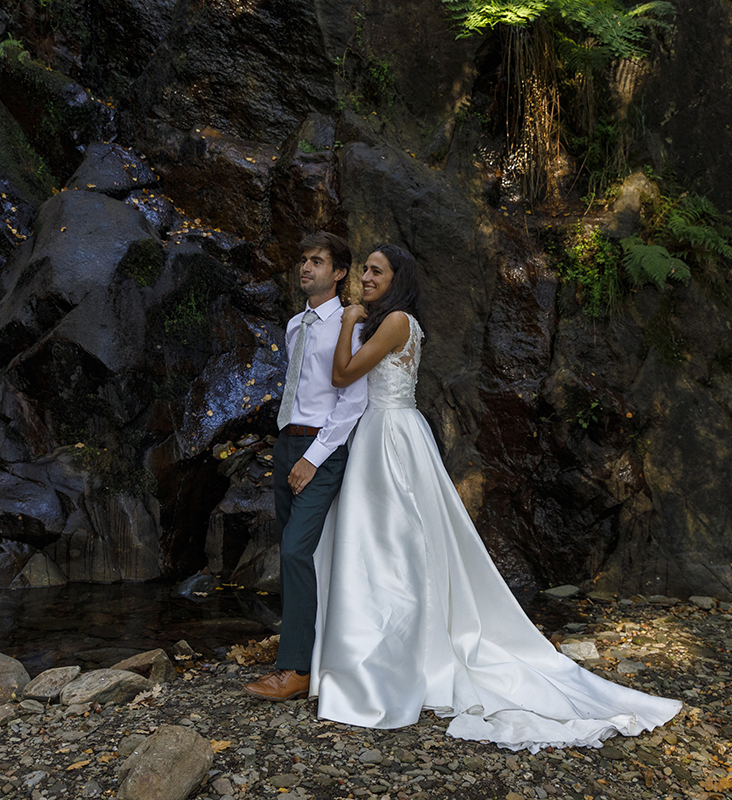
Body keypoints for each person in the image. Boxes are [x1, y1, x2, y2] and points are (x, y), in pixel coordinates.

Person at [308, 244, 681, 751]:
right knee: (386, 542)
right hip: (385, 431)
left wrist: (349, 320)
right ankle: (373, 645)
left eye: (377, 271)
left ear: (398, 279)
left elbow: (342, 375)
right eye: (365, 270)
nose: (366, 278)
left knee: (392, 541)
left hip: (389, 435)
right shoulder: (396, 322)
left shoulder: (393, 321)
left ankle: (394, 655)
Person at [243, 232, 369, 702]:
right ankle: (307, 656)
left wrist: (313, 458)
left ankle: (296, 670)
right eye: (303, 259)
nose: (306, 267)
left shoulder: (351, 326)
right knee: (292, 551)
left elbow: (352, 400)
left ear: (339, 273)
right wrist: (286, 448)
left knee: (296, 551)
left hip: (323, 447)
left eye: (317, 261)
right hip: (287, 441)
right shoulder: (296, 324)